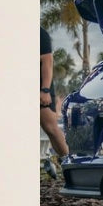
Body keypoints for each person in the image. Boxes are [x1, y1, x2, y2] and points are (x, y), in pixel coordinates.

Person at [40, 26, 69, 178]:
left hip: (40, 88)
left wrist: (45, 90)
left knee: (50, 127)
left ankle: (69, 163)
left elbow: (48, 61)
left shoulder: (39, 33)